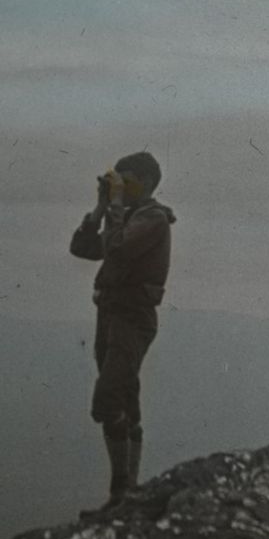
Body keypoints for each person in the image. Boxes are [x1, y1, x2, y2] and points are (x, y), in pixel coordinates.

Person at [69, 150, 175, 516]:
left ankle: (122, 492)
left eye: (125, 181)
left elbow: (117, 247)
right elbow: (82, 249)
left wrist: (114, 206)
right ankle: (125, 495)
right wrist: (100, 210)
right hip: (111, 316)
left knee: (109, 399)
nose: (121, 188)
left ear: (144, 182)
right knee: (125, 400)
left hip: (133, 316)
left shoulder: (153, 219)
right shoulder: (127, 217)